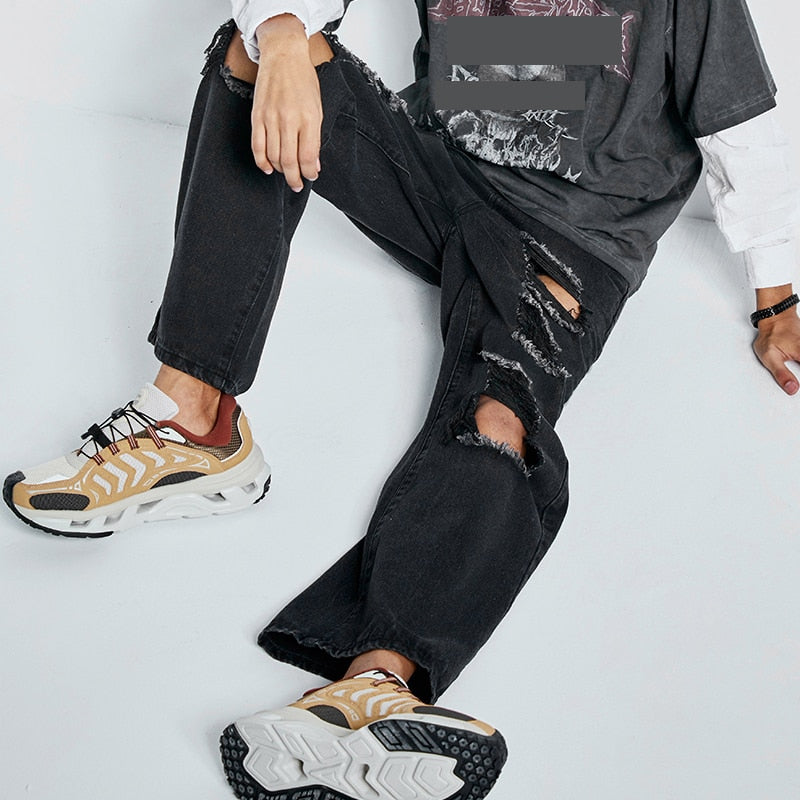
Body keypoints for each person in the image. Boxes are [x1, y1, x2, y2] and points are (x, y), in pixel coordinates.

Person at [4, 1, 800, 798]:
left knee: (497, 419)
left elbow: (741, 124)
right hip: (436, 171)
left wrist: (777, 303)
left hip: (569, 238)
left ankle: (376, 687)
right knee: (255, 50)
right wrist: (281, 31)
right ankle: (192, 421)